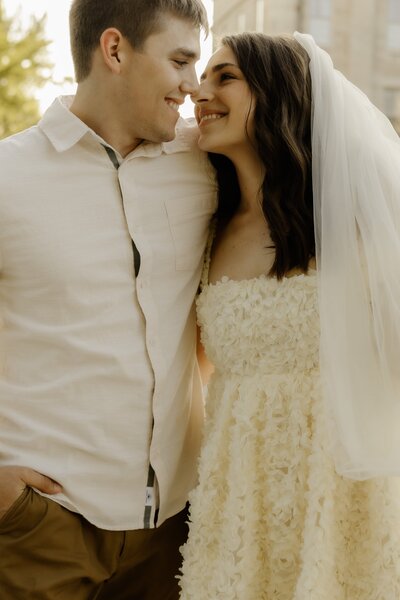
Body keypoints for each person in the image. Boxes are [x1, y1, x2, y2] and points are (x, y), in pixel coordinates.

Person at [0, 1, 217, 598]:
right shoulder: (8, 178)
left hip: (175, 533)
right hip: (39, 530)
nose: (192, 86)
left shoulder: (207, 166)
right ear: (115, 50)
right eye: (180, 60)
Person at [178, 32, 400, 599]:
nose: (200, 93)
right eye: (201, 78)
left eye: (224, 77)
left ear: (277, 92)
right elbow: (203, 372)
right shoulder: (208, 229)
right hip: (238, 497)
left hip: (340, 491)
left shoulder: (352, 225)